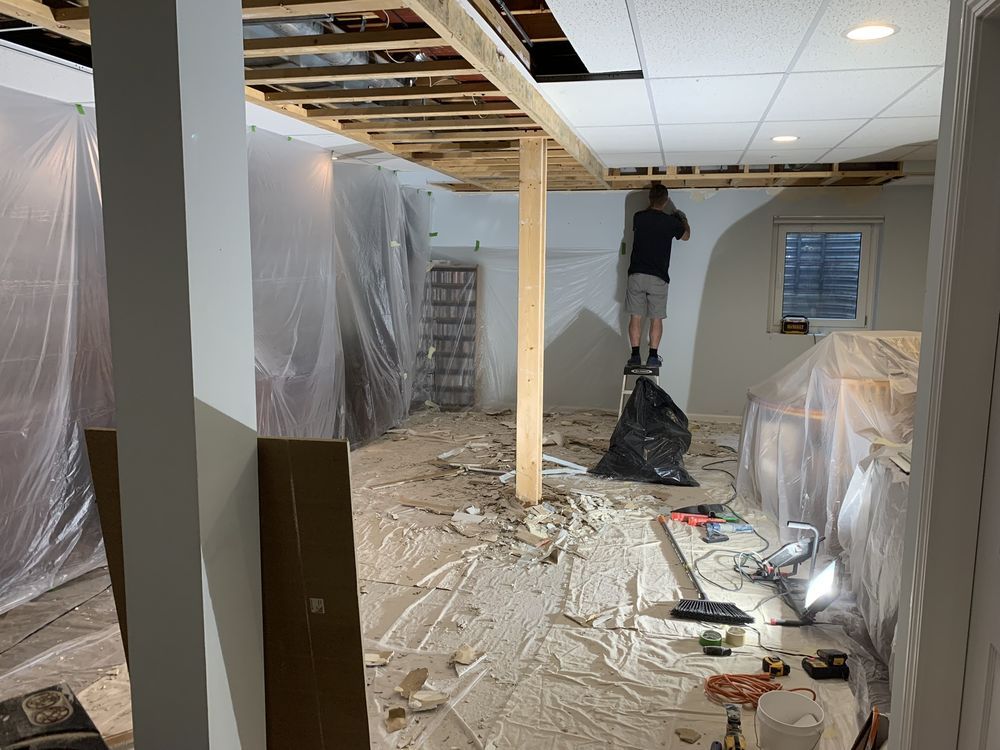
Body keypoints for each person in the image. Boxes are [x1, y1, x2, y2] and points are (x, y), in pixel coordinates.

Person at [625, 183, 690, 367]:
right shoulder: (671, 223)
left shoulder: (638, 217)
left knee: (635, 316)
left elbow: (648, 215)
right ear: (666, 200)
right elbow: (686, 236)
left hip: (636, 274)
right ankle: (653, 356)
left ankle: (635, 355)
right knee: (656, 317)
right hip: (658, 277)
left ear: (649, 199)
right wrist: (681, 218)